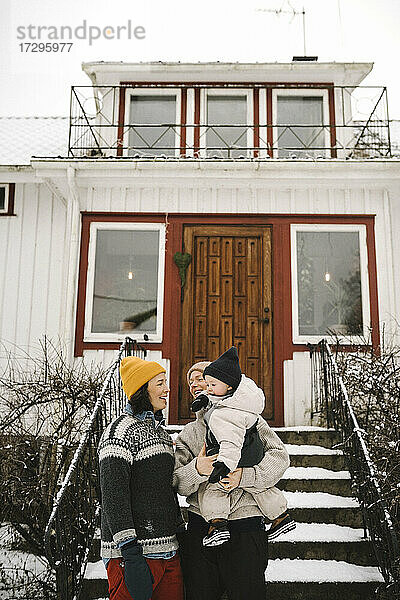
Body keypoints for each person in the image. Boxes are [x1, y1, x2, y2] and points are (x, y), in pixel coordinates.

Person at [174, 357, 291, 600]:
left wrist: (245, 476)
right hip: (201, 529)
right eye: (191, 381)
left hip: (246, 530)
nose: (196, 383)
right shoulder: (189, 433)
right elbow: (178, 483)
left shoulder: (250, 420)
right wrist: (198, 468)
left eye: (202, 377)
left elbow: (280, 457)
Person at [98, 356, 184, 600]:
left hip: (169, 551)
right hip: (134, 554)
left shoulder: (162, 435)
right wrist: (130, 551)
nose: (167, 389)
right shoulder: (119, 430)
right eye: (160, 383)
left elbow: (166, 489)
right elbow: (114, 495)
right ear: (141, 389)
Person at [191, 347, 295, 547]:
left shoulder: (225, 414)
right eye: (193, 382)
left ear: (228, 386)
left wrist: (226, 466)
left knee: (216, 487)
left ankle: (217, 525)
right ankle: (281, 517)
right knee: (263, 489)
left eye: (207, 383)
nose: (204, 387)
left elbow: (231, 443)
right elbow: (180, 481)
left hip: (235, 457)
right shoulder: (238, 401)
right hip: (251, 451)